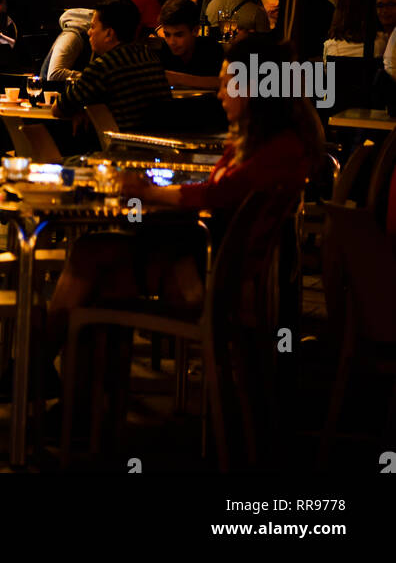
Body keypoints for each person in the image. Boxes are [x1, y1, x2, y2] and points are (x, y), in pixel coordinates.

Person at [45, 36, 323, 368]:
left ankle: (42, 376)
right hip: (211, 264)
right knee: (95, 274)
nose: (220, 94)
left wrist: (148, 192)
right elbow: (218, 193)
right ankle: (74, 399)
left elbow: (215, 194)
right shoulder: (264, 142)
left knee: (92, 262)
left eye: (226, 85)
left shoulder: (275, 149)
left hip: (211, 275)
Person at [52, 0, 172, 133]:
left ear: (109, 34)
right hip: (162, 143)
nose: (89, 32)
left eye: (93, 27)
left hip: (129, 147)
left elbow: (58, 109)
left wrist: (82, 111)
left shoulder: (103, 66)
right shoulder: (148, 55)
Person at [156, 0, 223, 90]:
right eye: (167, 35)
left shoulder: (210, 48)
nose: (171, 42)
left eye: (179, 35)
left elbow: (223, 82)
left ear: (195, 31)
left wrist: (178, 79)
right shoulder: (163, 50)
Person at [38, 7, 94, 93]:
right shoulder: (72, 36)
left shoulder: (81, 37)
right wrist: (91, 77)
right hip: (50, 98)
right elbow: (55, 74)